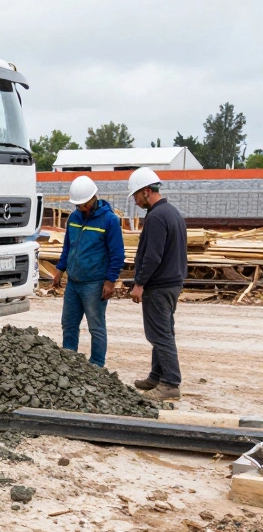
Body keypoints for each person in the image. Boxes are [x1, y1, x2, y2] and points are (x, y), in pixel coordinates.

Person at [127, 167, 188, 401]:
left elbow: (153, 256)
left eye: (135, 195)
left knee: (159, 334)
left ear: (146, 191)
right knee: (163, 331)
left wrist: (139, 283)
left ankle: (171, 383)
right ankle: (157, 375)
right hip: (172, 282)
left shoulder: (156, 217)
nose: (135, 200)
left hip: (159, 285)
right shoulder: (172, 213)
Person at [53, 175, 124, 367]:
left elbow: (117, 254)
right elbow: (68, 245)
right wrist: (60, 269)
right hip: (74, 282)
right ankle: (69, 361)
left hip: (95, 283)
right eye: (77, 205)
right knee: (68, 324)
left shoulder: (109, 220)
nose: (80, 208)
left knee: (96, 327)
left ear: (93, 199)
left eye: (83, 205)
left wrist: (110, 281)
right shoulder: (74, 217)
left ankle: (97, 366)